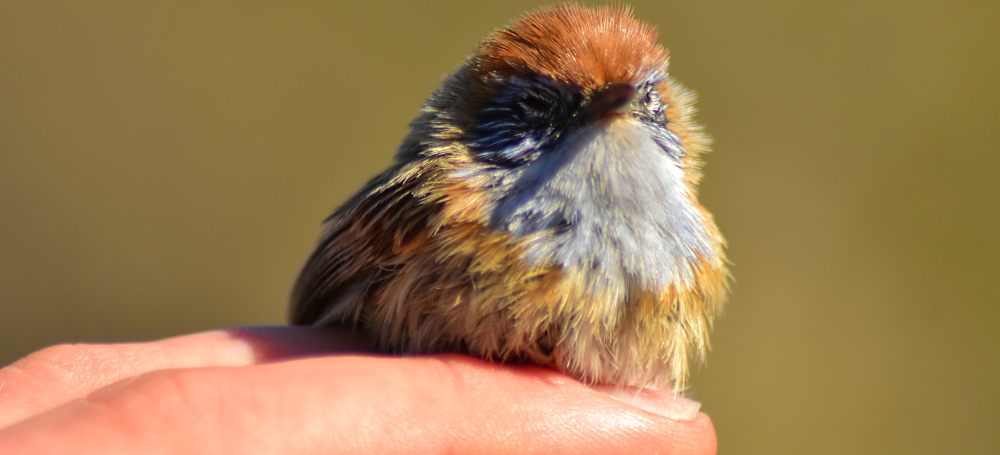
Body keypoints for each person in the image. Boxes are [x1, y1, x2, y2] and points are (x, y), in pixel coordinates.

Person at [0, 326, 717, 453]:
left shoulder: (694, 251)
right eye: (543, 107)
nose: (618, 117)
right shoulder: (447, 198)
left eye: (646, 103)